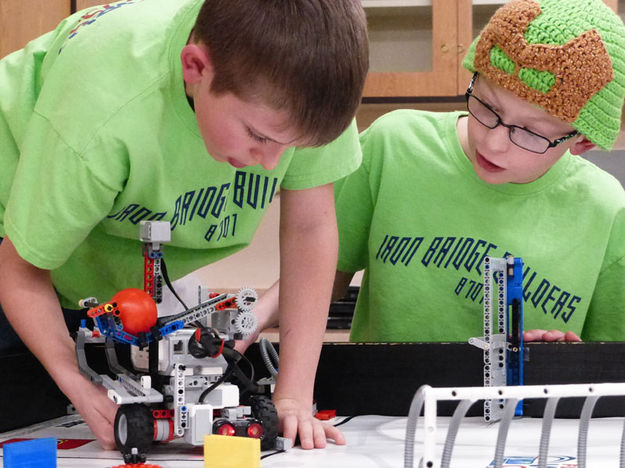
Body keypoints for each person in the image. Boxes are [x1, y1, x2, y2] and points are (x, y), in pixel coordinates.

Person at [0, 0, 368, 451]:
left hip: (85, 270)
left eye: (291, 147)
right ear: (195, 68)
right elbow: (19, 270)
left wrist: (293, 394)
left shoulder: (309, 92)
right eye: (259, 136)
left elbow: (310, 232)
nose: (273, 165)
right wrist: (78, 385)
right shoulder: (106, 105)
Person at [331, 0, 625, 343]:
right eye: (487, 106)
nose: (494, 143)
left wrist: (563, 366)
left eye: (529, 133)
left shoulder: (608, 213)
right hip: (380, 396)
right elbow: (315, 280)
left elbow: (610, 370)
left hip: (523, 399)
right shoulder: (394, 145)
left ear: (582, 142)